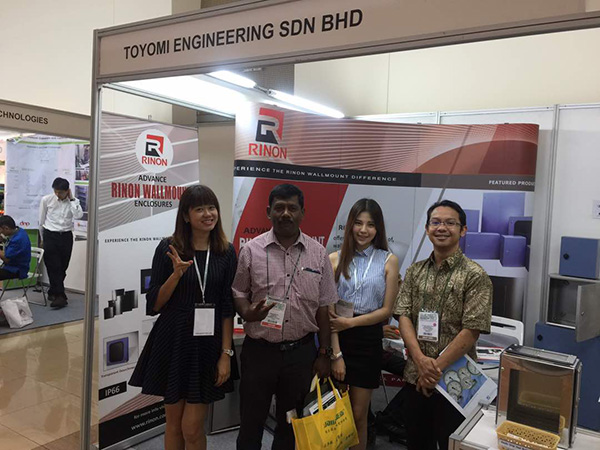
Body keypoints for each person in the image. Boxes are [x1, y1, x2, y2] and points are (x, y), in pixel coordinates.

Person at [129, 185, 238, 450]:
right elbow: (154, 304)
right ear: (186, 216)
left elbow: (227, 306)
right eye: (199, 209)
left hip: (208, 344)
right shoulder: (168, 248)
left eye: (211, 208)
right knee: (173, 424)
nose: (208, 214)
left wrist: (226, 354)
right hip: (173, 340)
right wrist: (176, 275)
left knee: (192, 427)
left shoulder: (225, 251)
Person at [232, 183, 337, 450]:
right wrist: (247, 312)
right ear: (269, 212)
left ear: (303, 213)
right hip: (259, 353)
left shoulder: (318, 254)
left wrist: (325, 354)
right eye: (279, 208)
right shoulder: (251, 250)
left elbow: (324, 307)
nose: (286, 214)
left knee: (291, 424)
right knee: (251, 423)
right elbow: (238, 292)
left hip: (300, 356)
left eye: (292, 208)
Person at [394, 200, 493, 450]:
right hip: (415, 377)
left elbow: (472, 330)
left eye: (450, 223)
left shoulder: (475, 275)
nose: (441, 228)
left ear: (463, 230)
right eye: (435, 222)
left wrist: (433, 370)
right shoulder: (415, 272)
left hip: (455, 381)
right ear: (427, 229)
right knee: (417, 444)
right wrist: (420, 362)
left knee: (452, 445)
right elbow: (403, 315)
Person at [328, 198, 399, 450]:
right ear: (350, 225)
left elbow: (386, 310)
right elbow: (329, 313)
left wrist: (351, 323)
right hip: (338, 339)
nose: (363, 230)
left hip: (368, 340)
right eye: (358, 223)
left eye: (370, 224)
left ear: (378, 228)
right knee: (335, 416)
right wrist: (336, 354)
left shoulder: (388, 260)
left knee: (359, 415)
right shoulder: (334, 259)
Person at [38, 177, 83, 308]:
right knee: (53, 266)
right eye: (56, 191)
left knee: (63, 266)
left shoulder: (74, 202)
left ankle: (53, 291)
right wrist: (42, 239)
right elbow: (41, 220)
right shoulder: (46, 200)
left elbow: (78, 215)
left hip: (66, 236)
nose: (58, 194)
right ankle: (60, 296)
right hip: (50, 235)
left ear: (67, 191)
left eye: (61, 192)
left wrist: (72, 199)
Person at [0, 215, 32, 281]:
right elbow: (10, 245)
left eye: (1, 231)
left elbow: (7, 259)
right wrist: (4, 240)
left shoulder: (17, 240)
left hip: (16, 269)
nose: (1, 233)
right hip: (12, 264)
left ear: (6, 228)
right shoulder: (20, 231)